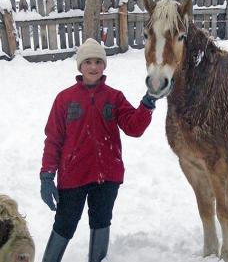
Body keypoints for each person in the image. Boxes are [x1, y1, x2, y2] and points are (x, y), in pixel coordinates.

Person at [39, 38, 160, 262]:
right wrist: (47, 176)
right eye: (88, 62)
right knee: (64, 224)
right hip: (73, 177)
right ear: (80, 66)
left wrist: (148, 103)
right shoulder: (64, 99)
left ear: (104, 65)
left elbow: (134, 127)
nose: (93, 67)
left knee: (101, 220)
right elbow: (53, 139)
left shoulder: (114, 97)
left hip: (107, 176)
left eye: (98, 62)